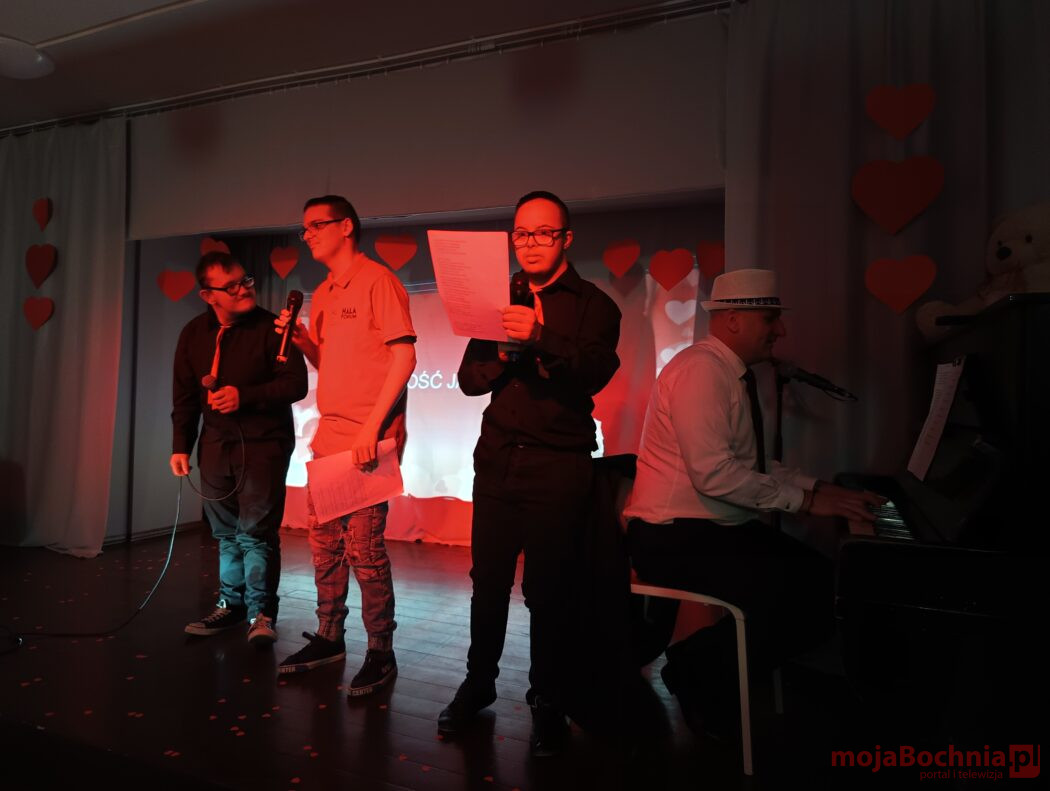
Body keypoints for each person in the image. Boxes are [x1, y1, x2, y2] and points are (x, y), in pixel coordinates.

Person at [623, 267, 882, 738]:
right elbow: (715, 474)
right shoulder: (701, 371)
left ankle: (701, 668)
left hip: (708, 527)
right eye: (770, 319)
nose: (780, 330)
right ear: (734, 320)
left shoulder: (727, 372)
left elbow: (752, 464)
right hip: (669, 534)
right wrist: (805, 501)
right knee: (808, 595)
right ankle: (696, 671)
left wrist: (821, 490)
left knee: (822, 584)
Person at [438, 191, 622, 757]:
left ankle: (548, 699)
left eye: (544, 233)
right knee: (488, 583)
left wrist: (539, 336)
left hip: (558, 466)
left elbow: (594, 372)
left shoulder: (594, 305)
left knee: (550, 592)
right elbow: (468, 381)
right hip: (496, 461)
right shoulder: (497, 300)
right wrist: (501, 352)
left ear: (566, 238)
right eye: (522, 233)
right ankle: (478, 683)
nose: (531, 243)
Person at [274, 195, 416, 698]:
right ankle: (329, 636)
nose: (308, 234)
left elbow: (405, 358)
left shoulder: (378, 281)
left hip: (366, 443)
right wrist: (305, 343)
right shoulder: (325, 292)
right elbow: (331, 364)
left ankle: (381, 650)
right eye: (305, 227)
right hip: (329, 441)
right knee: (325, 549)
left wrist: (372, 430)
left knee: (365, 552)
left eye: (317, 225)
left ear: (347, 227)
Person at [172, 251, 307, 646]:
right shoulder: (193, 333)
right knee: (226, 533)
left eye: (245, 280)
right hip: (215, 444)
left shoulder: (272, 328)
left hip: (264, 444)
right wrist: (181, 444)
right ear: (207, 295)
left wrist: (243, 396)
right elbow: (185, 395)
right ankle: (231, 605)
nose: (244, 289)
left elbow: (296, 384)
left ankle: (261, 613)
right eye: (231, 286)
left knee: (256, 534)